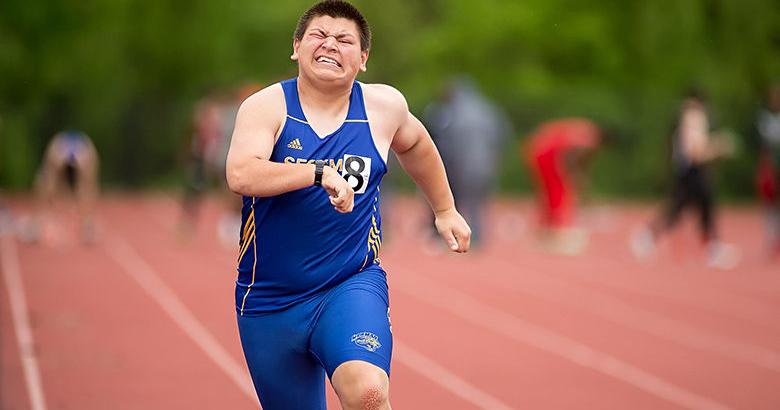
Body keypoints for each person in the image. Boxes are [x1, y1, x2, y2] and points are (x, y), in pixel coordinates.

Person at [225, 2, 471, 409]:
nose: (330, 46)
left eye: (344, 40)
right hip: (269, 297)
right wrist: (317, 173)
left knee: (368, 392)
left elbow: (418, 145)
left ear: (363, 58)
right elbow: (241, 174)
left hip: (350, 284)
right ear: (297, 47)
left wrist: (445, 210)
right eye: (319, 35)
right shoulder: (267, 106)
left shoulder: (383, 108)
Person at [630, 91, 738, 269]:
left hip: (688, 171)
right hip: (692, 171)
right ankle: (711, 248)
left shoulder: (685, 118)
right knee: (692, 207)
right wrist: (719, 147)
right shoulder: (694, 117)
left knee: (692, 208)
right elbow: (696, 152)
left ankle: (648, 237)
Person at [424, 75, 511, 246]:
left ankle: (460, 236)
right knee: (477, 201)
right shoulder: (489, 111)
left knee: (454, 201)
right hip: (486, 163)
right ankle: (477, 234)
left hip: (461, 164)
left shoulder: (452, 112)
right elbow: (502, 135)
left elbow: (445, 139)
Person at [524, 118, 600, 255]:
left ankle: (547, 230)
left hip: (537, 149)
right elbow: (573, 158)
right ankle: (558, 231)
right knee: (559, 191)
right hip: (548, 153)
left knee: (550, 192)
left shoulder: (581, 129)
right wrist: (576, 176)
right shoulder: (589, 138)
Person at [29, 130, 99, 243]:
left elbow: (89, 184)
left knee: (85, 187)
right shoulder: (55, 154)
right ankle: (36, 224)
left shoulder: (86, 156)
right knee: (46, 183)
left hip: (81, 152)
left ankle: (87, 225)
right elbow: (51, 183)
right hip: (64, 150)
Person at [756, 84, 780, 258]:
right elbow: (764, 147)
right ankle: (772, 239)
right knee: (770, 204)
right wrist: (764, 168)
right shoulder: (765, 119)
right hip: (772, 166)